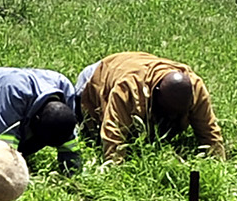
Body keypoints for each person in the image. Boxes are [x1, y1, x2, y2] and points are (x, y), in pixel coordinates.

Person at [72, 52, 224, 162]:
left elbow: (209, 131)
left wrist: (218, 161)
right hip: (95, 76)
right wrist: (115, 169)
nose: (171, 117)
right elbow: (113, 133)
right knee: (89, 133)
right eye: (167, 111)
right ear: (155, 93)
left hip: (134, 64)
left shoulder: (194, 87)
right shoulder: (129, 88)